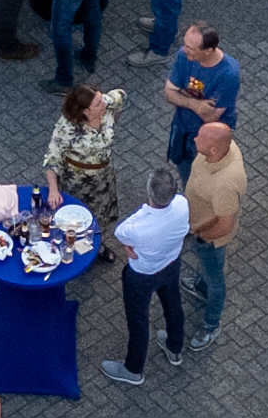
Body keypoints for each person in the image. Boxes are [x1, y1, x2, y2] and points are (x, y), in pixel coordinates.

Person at [103, 165, 189, 384]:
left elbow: (120, 232)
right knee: (173, 305)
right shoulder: (182, 204)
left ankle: (133, 369)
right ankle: (175, 347)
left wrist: (129, 244)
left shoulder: (138, 227)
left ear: (149, 193)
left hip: (142, 275)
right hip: (170, 264)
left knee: (139, 321)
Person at [181, 114, 243, 349]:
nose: (195, 138)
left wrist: (202, 238)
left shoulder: (225, 184)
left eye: (201, 138)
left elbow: (225, 224)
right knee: (208, 271)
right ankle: (200, 285)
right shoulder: (223, 149)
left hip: (210, 236)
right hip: (199, 225)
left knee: (216, 277)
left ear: (215, 150)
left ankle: (211, 323)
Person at [42, 82, 122, 243]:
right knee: (77, 219)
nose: (104, 102)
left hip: (104, 177)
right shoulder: (67, 128)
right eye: (99, 103)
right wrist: (53, 190)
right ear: (86, 111)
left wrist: (114, 118)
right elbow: (52, 159)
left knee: (102, 215)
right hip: (78, 183)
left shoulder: (107, 104)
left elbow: (121, 96)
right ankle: (75, 245)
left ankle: (98, 245)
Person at [161, 23, 239, 171]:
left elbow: (210, 117)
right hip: (181, 128)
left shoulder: (228, 74)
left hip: (208, 140)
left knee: (201, 175)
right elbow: (169, 93)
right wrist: (196, 104)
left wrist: (181, 92)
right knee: (183, 168)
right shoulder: (183, 56)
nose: (184, 50)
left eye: (190, 48)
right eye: (185, 44)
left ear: (208, 51)